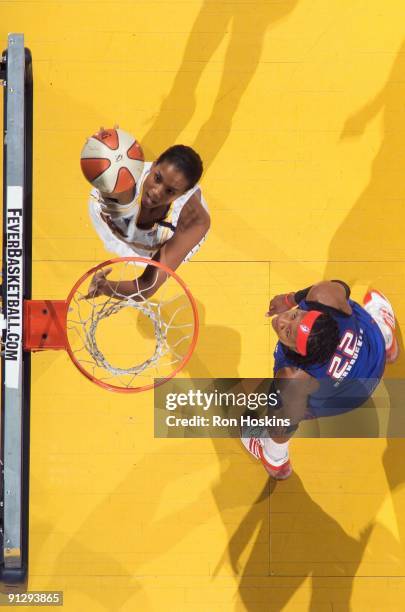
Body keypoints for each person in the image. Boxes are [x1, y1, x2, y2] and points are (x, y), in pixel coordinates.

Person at [241, 281, 399, 480]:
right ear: (317, 314)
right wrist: (290, 300)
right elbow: (339, 286)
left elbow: (286, 421)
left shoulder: (293, 376)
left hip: (346, 398)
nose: (282, 320)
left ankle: (275, 459)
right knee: (365, 323)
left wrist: (292, 299)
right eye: (294, 315)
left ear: (299, 354)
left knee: (281, 406)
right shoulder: (326, 296)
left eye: (288, 332)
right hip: (374, 357)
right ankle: (388, 344)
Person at [86, 143, 210, 299]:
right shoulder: (121, 180)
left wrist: (105, 286)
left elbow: (146, 287)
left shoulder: (194, 221)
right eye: (157, 178)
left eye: (170, 191)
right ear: (154, 164)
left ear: (183, 194)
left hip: (168, 239)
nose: (156, 192)